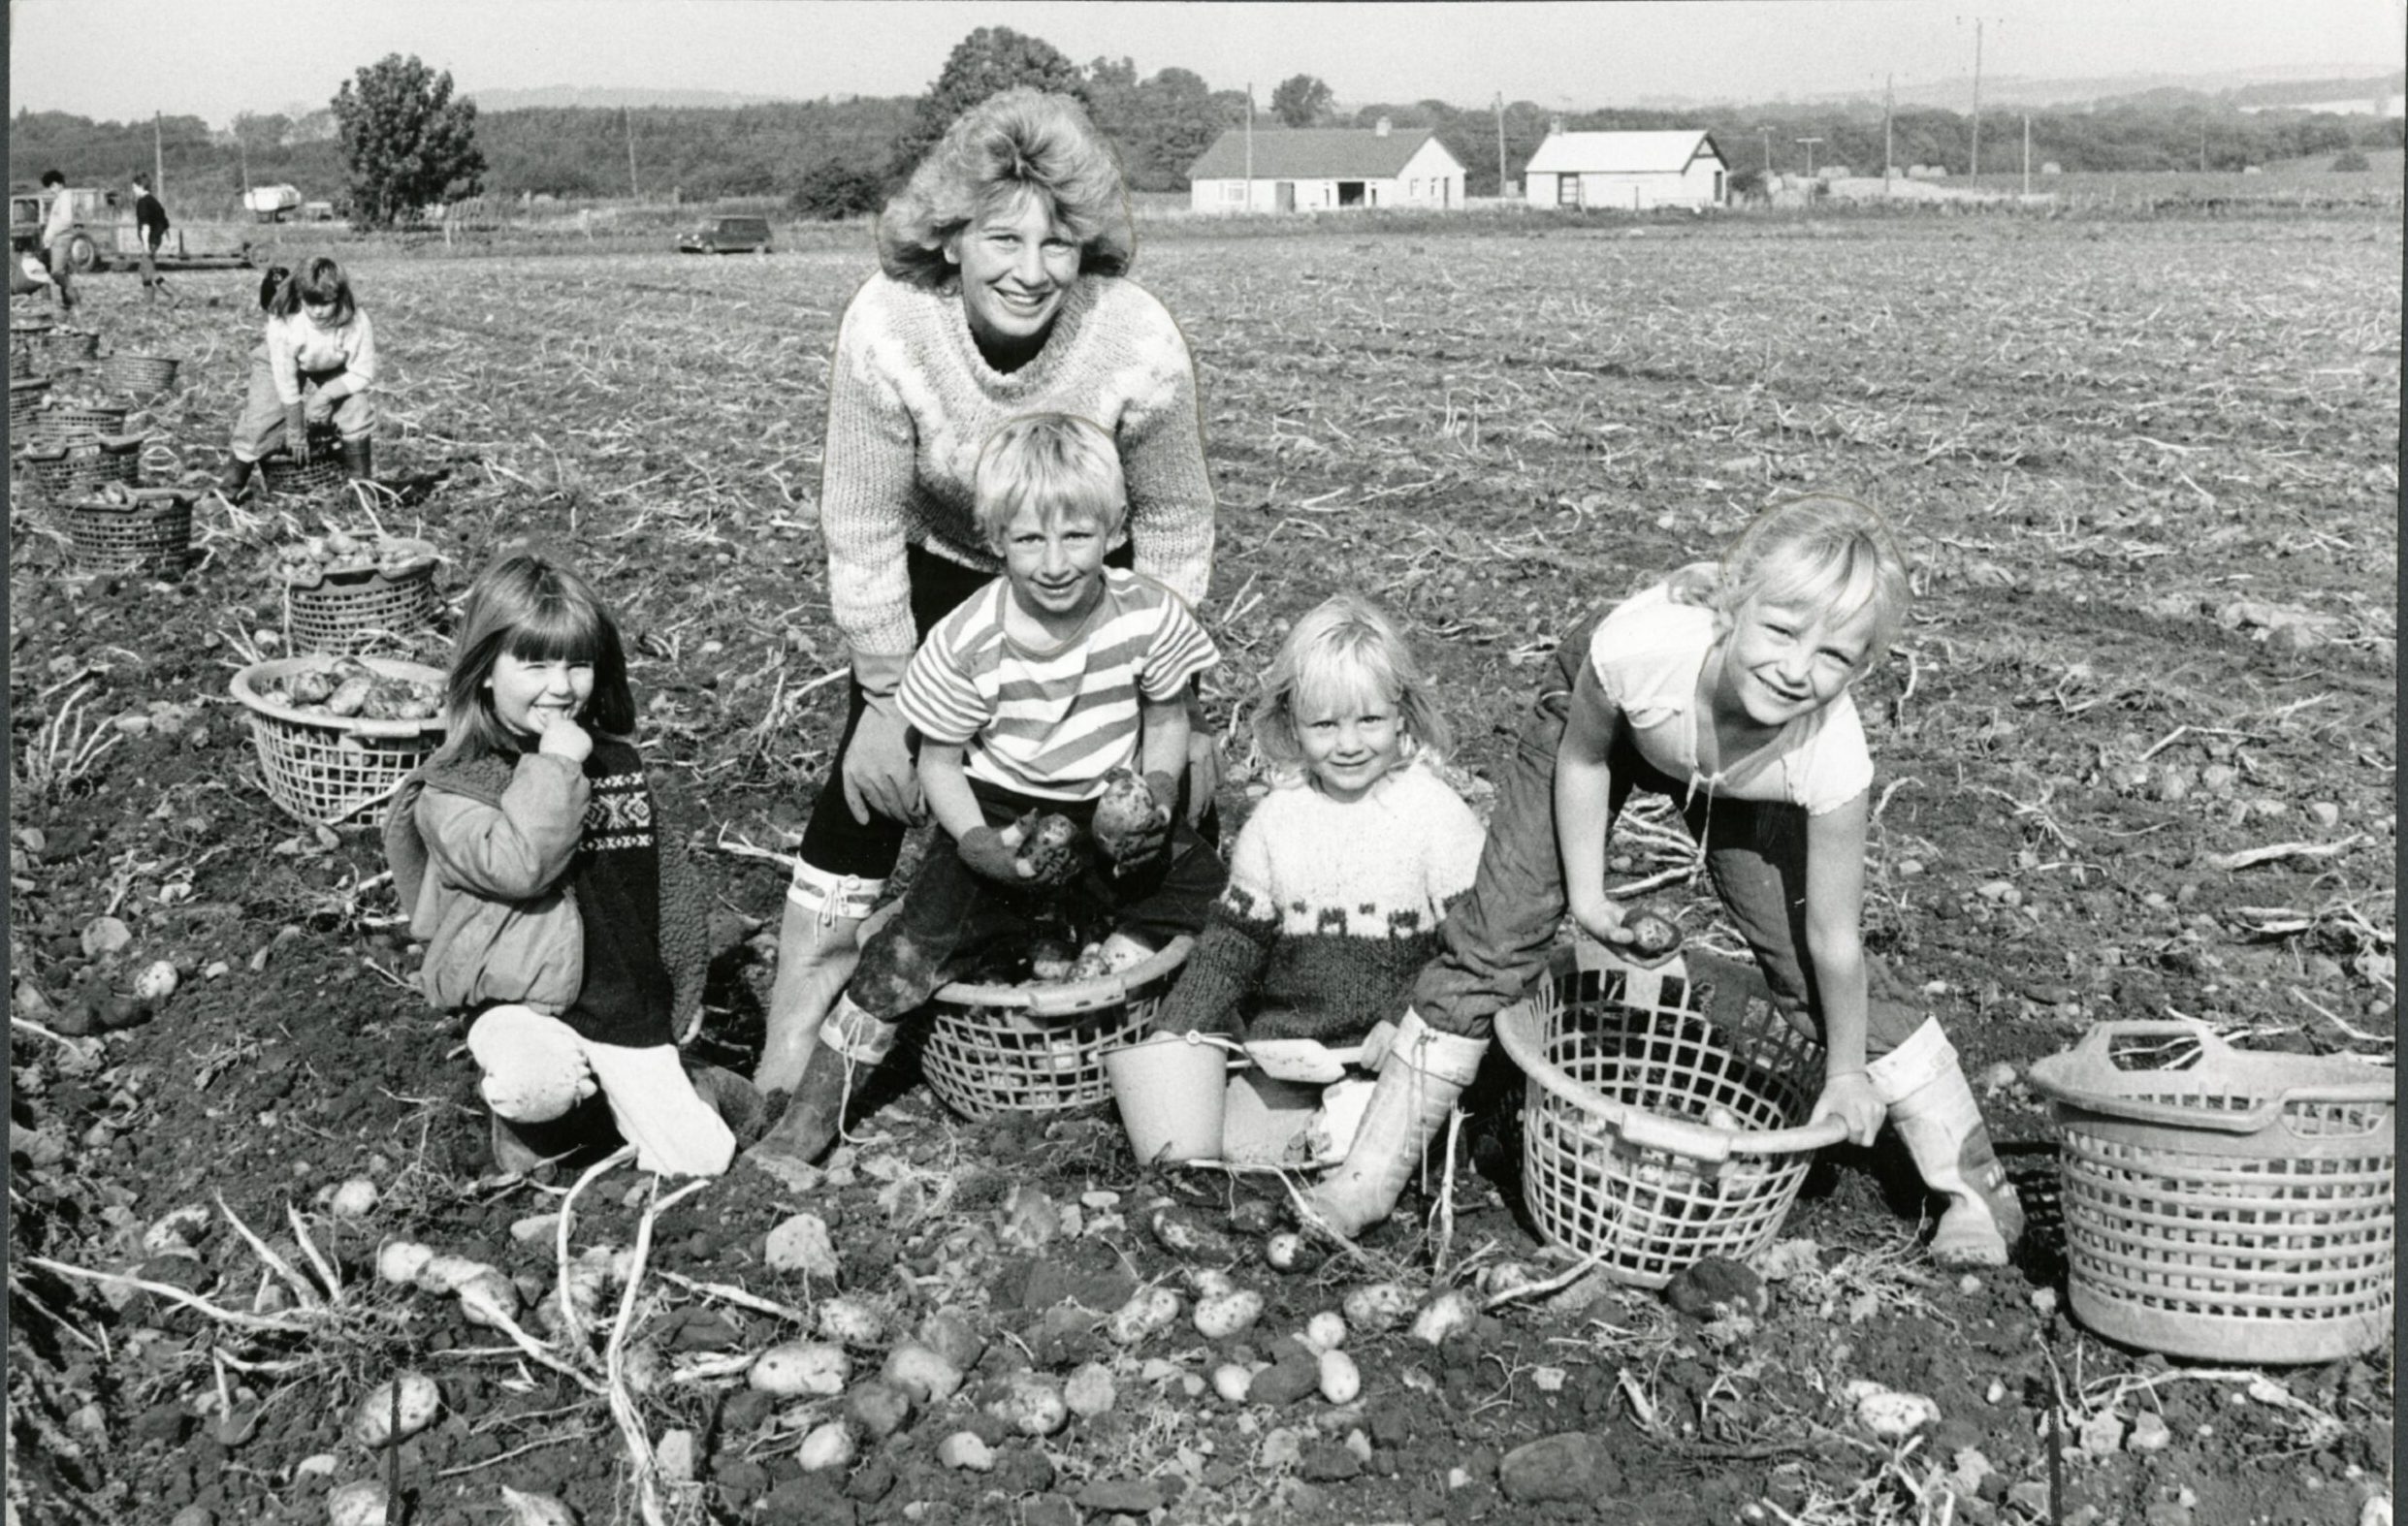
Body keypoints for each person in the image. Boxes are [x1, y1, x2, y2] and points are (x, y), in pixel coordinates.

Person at [1308, 495, 2027, 1270]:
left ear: (1864, 668)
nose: (1794, 669)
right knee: (1500, 929)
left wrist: (1847, 1072)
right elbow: (1583, 760)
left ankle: (1975, 1189)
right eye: (1780, 632)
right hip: (1618, 719)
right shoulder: (1639, 647)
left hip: (1746, 779)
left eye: (1833, 657)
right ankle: (1368, 1176)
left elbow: (1834, 938)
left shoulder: (1829, 757)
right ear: (1731, 605)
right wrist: (1586, 900)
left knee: (1802, 965)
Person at [757, 86, 1220, 1106]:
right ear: (950, 237)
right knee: (866, 794)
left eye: (1057, 243)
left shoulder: (1132, 336)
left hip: (1092, 572)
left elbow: (1179, 522)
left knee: (1155, 802)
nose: (1028, 269)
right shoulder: (889, 326)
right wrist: (884, 700)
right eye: (1000, 236)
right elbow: (863, 520)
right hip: (937, 565)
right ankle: (795, 1051)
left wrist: (1165, 700)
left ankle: (1144, 1033)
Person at [747, 413, 1226, 1172]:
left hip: (1111, 803)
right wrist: (977, 846)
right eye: (1029, 539)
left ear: (1113, 528)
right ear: (993, 538)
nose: (1056, 562)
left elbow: (1165, 715)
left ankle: (1150, 999)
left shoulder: (1148, 614)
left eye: (1077, 536)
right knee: (905, 955)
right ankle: (811, 1114)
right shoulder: (967, 640)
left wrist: (1156, 790)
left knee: (1216, 893)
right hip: (1004, 813)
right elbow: (939, 763)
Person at [384, 554, 761, 1177]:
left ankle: (686, 1087)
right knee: (536, 1085)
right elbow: (522, 864)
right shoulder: (453, 791)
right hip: (522, 1008)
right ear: (483, 672)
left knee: (703, 1164)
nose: (560, 687)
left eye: (577, 664)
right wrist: (557, 766)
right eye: (534, 664)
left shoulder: (615, 763)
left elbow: (658, 881)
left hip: (620, 1005)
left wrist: (679, 980)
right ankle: (551, 1124)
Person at [1138, 592, 1484, 1164]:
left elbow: (1468, 949)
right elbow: (1231, 948)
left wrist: (1407, 1019)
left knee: (1368, 1150)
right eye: (1325, 725)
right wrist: (1175, 1033)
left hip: (1395, 1050)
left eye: (1370, 720)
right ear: (1292, 726)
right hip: (1296, 1054)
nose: (1349, 745)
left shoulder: (1436, 816)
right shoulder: (1278, 820)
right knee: (1236, 1149)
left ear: (1402, 715)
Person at [214, 255, 378, 502]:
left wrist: (324, 396)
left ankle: (361, 490)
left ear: (340, 296)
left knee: (356, 409)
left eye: (326, 303)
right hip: (280, 362)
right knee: (260, 419)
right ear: (301, 296)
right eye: (310, 303)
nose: (318, 311)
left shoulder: (356, 319)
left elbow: (363, 372)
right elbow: (284, 377)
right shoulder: (284, 317)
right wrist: (294, 427)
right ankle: (228, 490)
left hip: (334, 366)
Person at [129, 173, 176, 304]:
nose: (133, 190)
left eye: (134, 188)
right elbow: (165, 223)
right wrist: (170, 241)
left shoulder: (142, 203)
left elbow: (145, 226)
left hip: (150, 241)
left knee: (148, 271)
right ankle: (148, 302)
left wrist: (145, 245)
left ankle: (173, 294)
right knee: (144, 270)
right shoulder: (154, 202)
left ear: (140, 186)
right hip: (156, 240)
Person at [36, 171, 78, 315]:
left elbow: (66, 220)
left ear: (57, 184)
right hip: (57, 238)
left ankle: (74, 298)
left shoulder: (65, 197)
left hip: (61, 238)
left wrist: (51, 233)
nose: (51, 191)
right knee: (60, 271)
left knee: (57, 272)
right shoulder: (61, 197)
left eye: (51, 187)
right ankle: (68, 302)